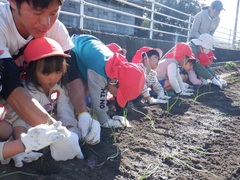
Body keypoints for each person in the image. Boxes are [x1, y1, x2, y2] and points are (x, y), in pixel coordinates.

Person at [0, 0, 99, 157]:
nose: (46, 23)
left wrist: (83, 114)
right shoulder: (1, 22)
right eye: (38, 13)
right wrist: (57, 132)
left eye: (53, 13)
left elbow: (71, 74)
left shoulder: (56, 28)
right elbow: (9, 84)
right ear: (13, 2)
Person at [69, 34, 146, 128]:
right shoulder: (99, 71)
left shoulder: (118, 68)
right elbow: (98, 98)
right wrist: (105, 121)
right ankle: (72, 118)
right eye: (118, 93)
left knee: (90, 89)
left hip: (87, 46)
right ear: (114, 80)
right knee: (79, 89)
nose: (116, 96)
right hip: (73, 48)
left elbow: (101, 93)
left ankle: (86, 115)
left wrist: (119, 115)